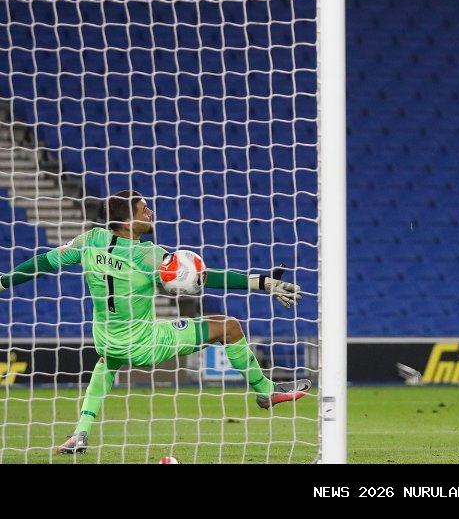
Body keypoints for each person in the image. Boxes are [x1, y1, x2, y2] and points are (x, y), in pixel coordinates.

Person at [0, 190, 311, 454]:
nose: (150, 212)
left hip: (107, 339)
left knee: (107, 363)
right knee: (228, 326)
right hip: (147, 343)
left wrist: (4, 281)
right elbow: (205, 277)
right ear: (127, 221)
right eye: (143, 209)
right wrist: (262, 283)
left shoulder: (90, 240)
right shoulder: (147, 254)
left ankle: (79, 432)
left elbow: (43, 262)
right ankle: (265, 390)